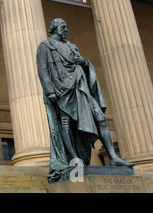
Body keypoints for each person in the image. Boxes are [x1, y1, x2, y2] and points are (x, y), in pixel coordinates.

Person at [36, 18, 133, 183]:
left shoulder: (72, 46)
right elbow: (43, 69)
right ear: (54, 28)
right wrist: (50, 90)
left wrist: (85, 63)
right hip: (61, 91)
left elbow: (82, 63)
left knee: (100, 118)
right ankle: (74, 159)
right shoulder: (45, 47)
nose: (66, 30)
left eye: (66, 27)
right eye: (63, 27)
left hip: (80, 89)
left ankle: (114, 157)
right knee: (65, 123)